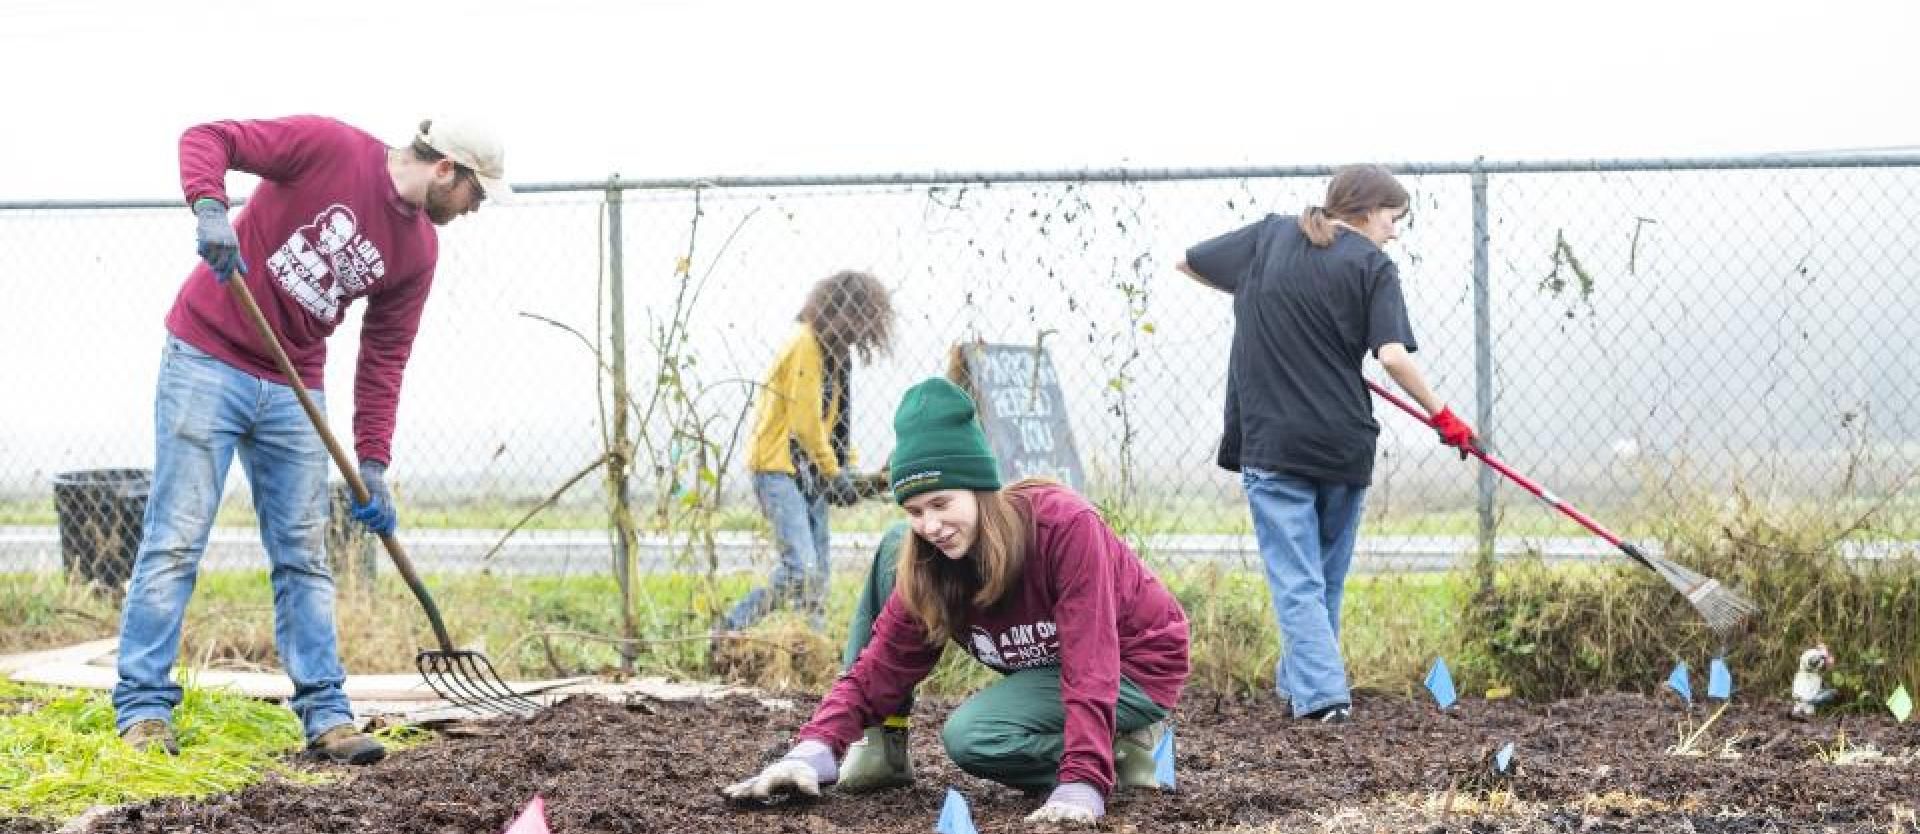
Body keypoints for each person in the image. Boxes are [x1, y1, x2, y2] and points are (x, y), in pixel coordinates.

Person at [112, 115, 507, 764]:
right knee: (177, 539)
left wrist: (373, 461)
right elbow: (208, 139)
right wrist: (210, 209)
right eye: (476, 194)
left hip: (293, 381)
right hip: (206, 356)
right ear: (446, 170)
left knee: (303, 554)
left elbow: (385, 356)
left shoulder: (419, 253)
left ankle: (326, 715)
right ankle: (144, 711)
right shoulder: (328, 147)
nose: (474, 209)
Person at [723, 378, 1190, 826]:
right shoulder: (935, 558)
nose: (930, 525)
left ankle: (1123, 754)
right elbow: (882, 665)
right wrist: (811, 750)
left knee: (975, 737)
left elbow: (1091, 658)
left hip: (1135, 664)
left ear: (980, 489)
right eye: (915, 511)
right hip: (1054, 665)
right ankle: (880, 749)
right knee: (895, 554)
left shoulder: (1063, 528)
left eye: (941, 504)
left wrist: (1082, 782)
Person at [1176, 164, 1474, 724]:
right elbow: (1390, 355)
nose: (1395, 231)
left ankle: (1319, 700)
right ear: (1364, 211)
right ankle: (1307, 692)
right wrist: (1445, 417)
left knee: (1300, 581)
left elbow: (1189, 262)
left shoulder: (1269, 237)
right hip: (1341, 444)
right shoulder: (1371, 266)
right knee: (1318, 580)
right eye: (1393, 218)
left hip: (1275, 442)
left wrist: (1259, 296)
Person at [717, 270, 894, 634]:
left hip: (810, 471)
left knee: (818, 577)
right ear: (838, 312)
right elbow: (804, 422)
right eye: (857, 321)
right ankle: (730, 628)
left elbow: (835, 425)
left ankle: (809, 649)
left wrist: (852, 472)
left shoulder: (836, 356)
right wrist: (834, 472)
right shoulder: (806, 343)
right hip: (779, 467)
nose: (859, 333)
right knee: (801, 569)